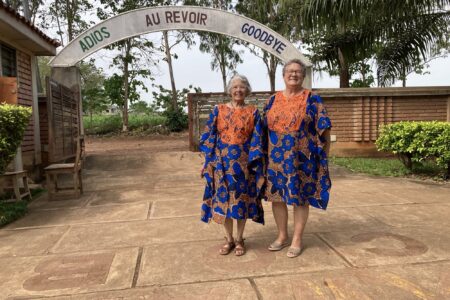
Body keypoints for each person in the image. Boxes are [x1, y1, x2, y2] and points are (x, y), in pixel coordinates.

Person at [263, 59, 332, 258]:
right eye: (290, 72)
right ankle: (282, 236)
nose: (294, 75)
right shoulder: (272, 100)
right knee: (277, 197)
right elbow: (262, 130)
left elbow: (324, 129)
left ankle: (297, 239)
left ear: (303, 76)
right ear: (283, 75)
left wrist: (324, 156)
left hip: (303, 158)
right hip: (276, 159)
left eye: (298, 72)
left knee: (300, 198)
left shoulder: (313, 99)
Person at [199, 74, 265, 256]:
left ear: (247, 90)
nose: (238, 90)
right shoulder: (218, 110)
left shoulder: (253, 112)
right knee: (224, 201)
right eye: (235, 87)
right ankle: (228, 239)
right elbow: (208, 136)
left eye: (242, 87)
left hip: (244, 165)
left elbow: (258, 140)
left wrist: (256, 165)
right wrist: (207, 162)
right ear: (229, 90)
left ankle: (240, 239)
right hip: (221, 164)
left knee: (241, 202)